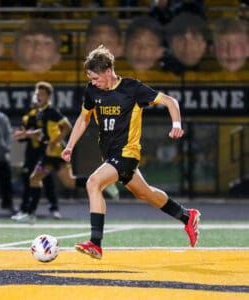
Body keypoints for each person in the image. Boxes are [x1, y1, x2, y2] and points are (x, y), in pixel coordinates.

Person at [61, 45, 201, 259]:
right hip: (110, 156)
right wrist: (70, 146)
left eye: (96, 77)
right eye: (90, 78)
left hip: (128, 153)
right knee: (145, 193)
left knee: (93, 182)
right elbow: (84, 118)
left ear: (108, 71)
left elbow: (170, 101)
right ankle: (187, 216)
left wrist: (177, 124)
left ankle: (95, 243)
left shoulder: (132, 88)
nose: (93, 82)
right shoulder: (92, 91)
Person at [13, 81, 118, 223]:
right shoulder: (40, 112)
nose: (38, 97)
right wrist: (26, 135)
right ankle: (103, 182)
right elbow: (41, 133)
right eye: (37, 94)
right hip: (52, 153)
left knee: (35, 178)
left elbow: (67, 127)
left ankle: (30, 214)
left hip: (55, 151)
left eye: (42, 95)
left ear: (49, 97)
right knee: (68, 182)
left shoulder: (52, 111)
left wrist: (54, 142)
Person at [11, 96, 62, 220]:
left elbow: (52, 132)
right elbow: (21, 137)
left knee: (47, 180)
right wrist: (26, 135)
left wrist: (35, 135)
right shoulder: (28, 117)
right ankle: (25, 209)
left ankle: (53, 208)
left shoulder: (48, 115)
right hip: (32, 155)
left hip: (45, 152)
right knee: (29, 180)